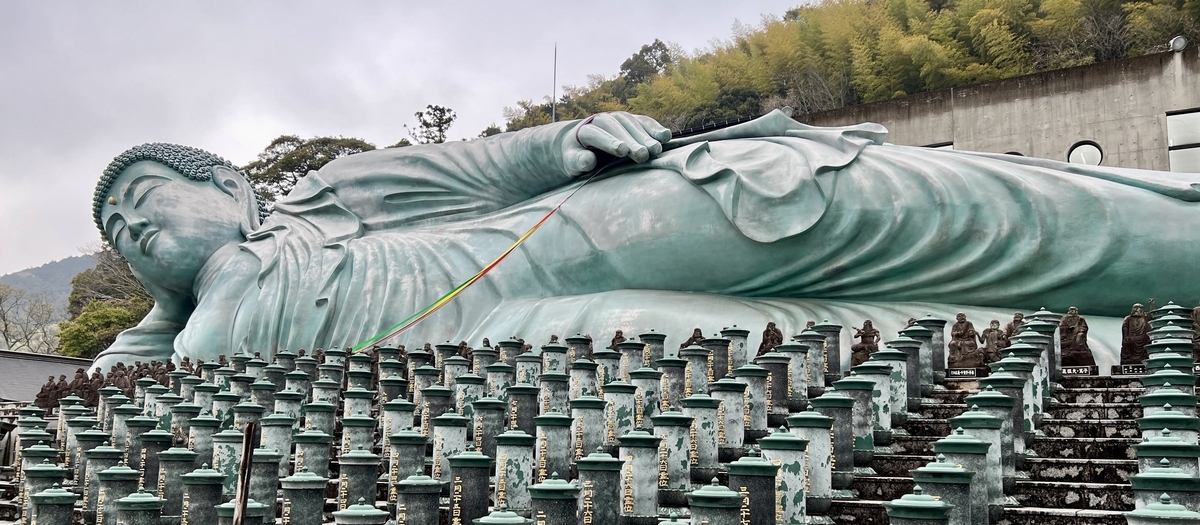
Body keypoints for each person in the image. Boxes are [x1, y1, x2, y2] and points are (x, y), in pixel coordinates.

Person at [90, 110, 1200, 370]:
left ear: (237, 187)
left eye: (145, 195)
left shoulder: (324, 205)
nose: (133, 227)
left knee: (909, 212)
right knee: (900, 339)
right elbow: (124, 383)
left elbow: (462, 169)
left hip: (584, 235)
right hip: (546, 334)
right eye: (115, 234)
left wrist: (570, 136)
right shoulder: (173, 341)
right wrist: (177, 307)